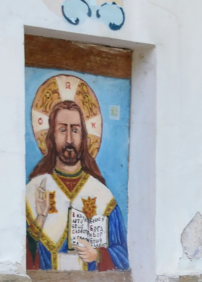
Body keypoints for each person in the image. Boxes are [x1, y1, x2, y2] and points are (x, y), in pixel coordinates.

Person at [27, 98, 128, 270]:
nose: (69, 139)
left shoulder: (102, 195)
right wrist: (41, 218)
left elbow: (123, 257)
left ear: (83, 136)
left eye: (75, 130)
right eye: (62, 129)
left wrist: (97, 255)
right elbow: (20, 256)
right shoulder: (35, 189)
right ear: (51, 135)